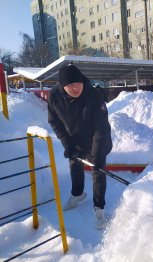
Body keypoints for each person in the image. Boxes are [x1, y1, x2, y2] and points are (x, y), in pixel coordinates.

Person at [47, 64, 112, 230]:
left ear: (82, 80)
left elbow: (101, 128)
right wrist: (67, 144)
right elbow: (54, 122)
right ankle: (77, 194)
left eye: (78, 83)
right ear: (62, 86)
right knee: (74, 166)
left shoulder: (95, 96)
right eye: (70, 85)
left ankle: (99, 206)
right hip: (73, 140)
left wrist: (97, 155)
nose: (75, 87)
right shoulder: (54, 96)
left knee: (98, 171)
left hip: (95, 140)